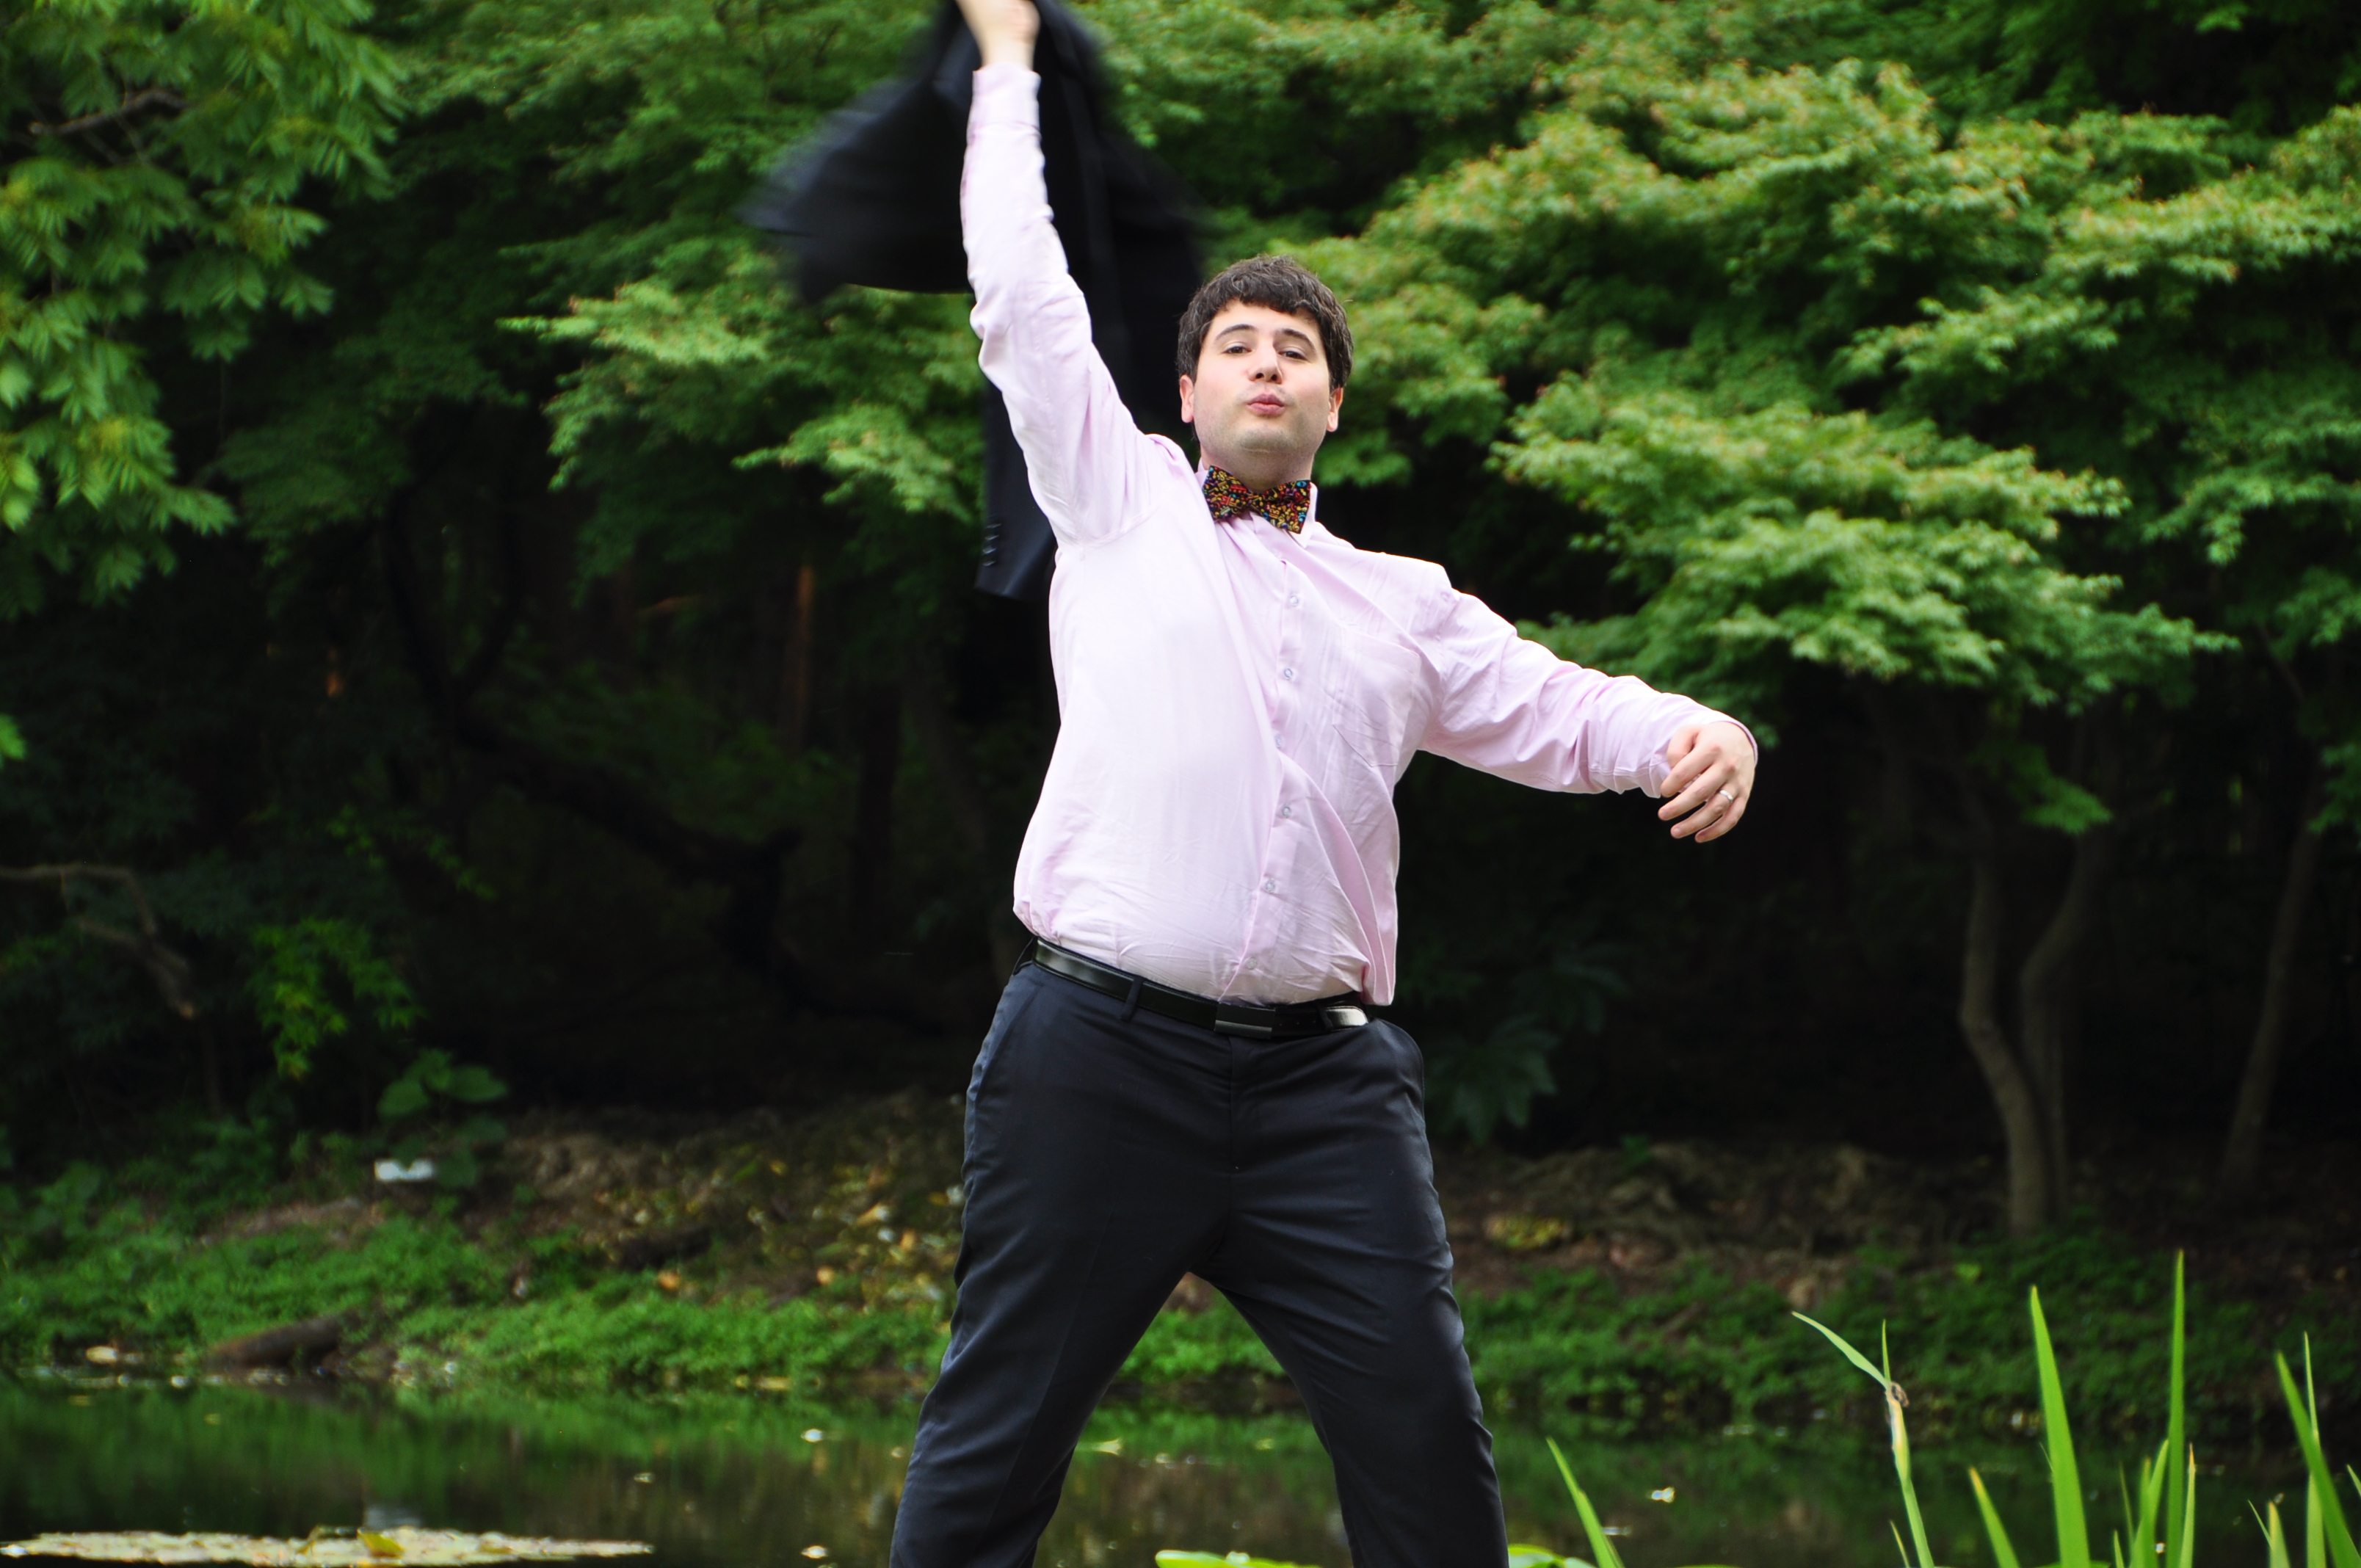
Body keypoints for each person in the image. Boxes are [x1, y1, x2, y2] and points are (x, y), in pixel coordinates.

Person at [891, 1, 1760, 1564]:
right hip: (1099, 1057)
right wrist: (1008, 64)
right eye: (1237, 346)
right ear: (1187, 395)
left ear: (1333, 406)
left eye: (1298, 352)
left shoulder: (1405, 603)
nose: (1268, 365)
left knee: (1428, 1441)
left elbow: (1562, 710)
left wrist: (1700, 729)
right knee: (998, 1433)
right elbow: (1021, 293)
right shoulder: (1117, 506)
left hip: (1324, 1093)